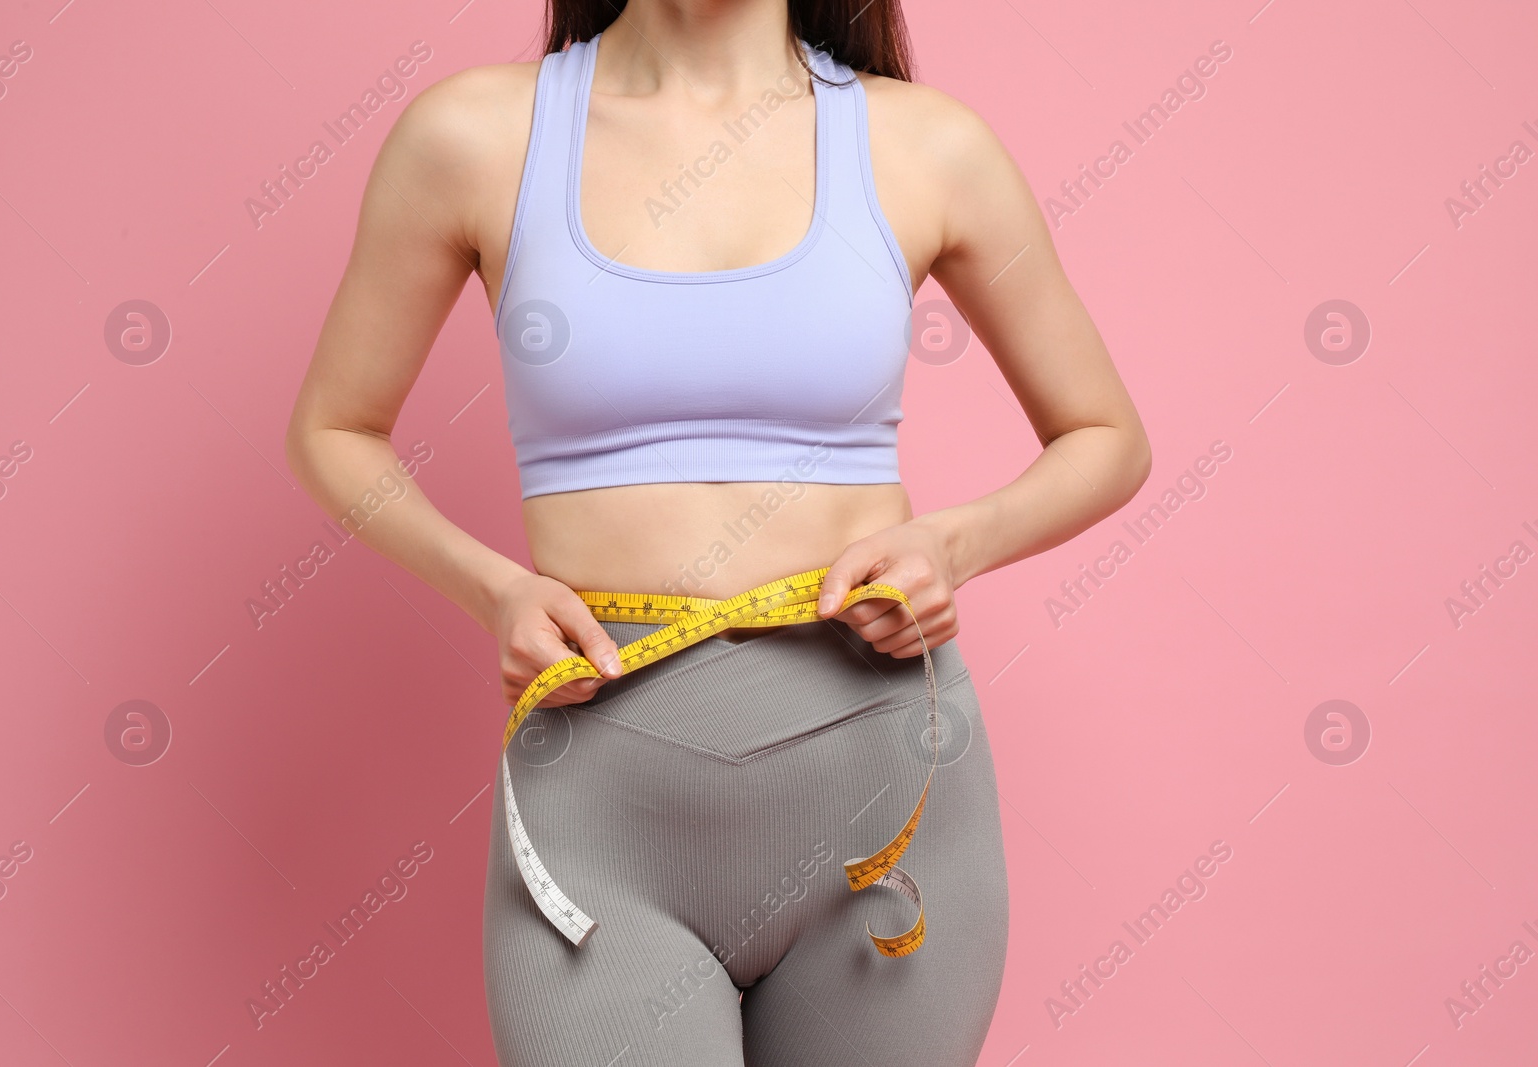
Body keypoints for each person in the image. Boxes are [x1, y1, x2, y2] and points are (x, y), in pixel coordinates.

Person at [285, 1, 1151, 1063]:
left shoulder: (925, 143)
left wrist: (953, 545)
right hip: (601, 796)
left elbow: (1105, 434)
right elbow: (334, 428)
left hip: (885, 788)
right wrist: (492, 589)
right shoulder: (473, 135)